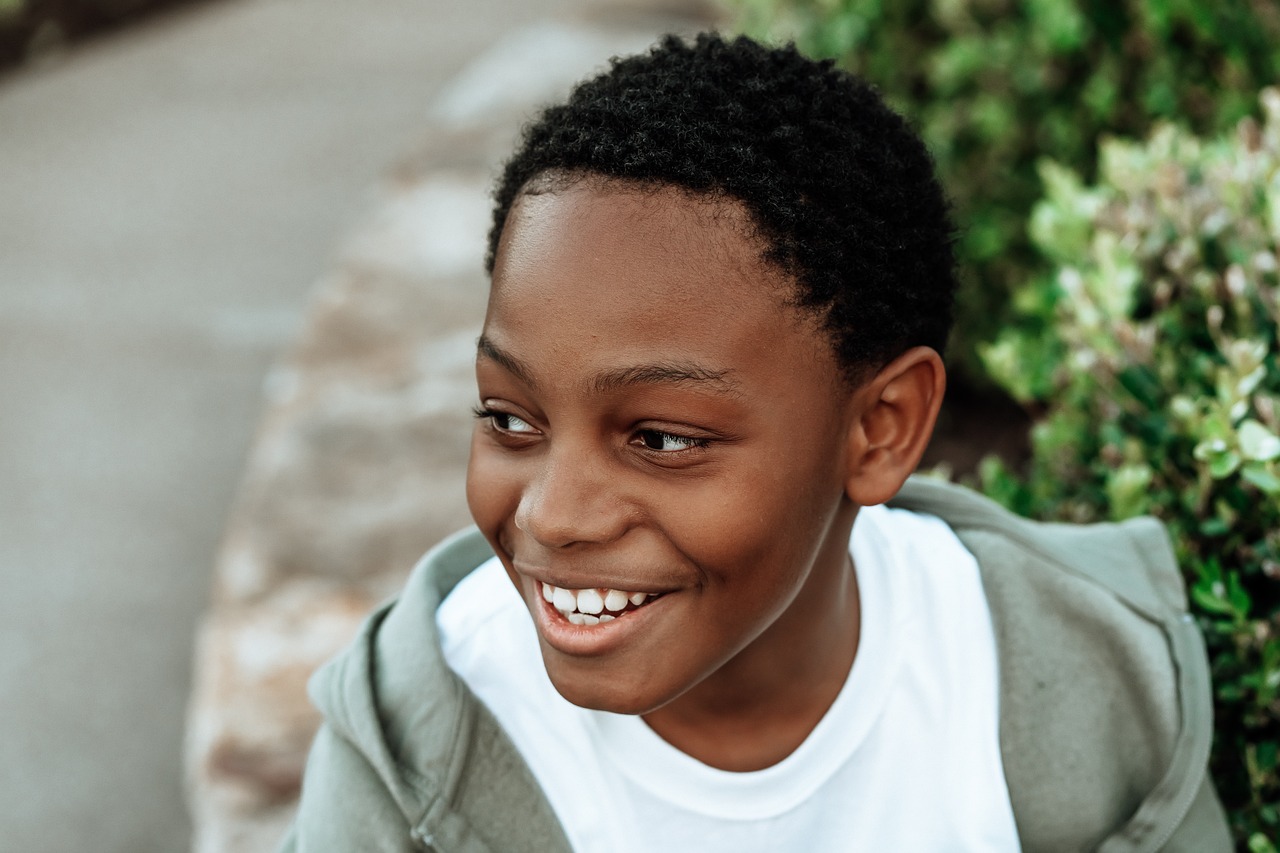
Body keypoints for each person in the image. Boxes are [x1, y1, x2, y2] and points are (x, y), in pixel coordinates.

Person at [280, 33, 1230, 852]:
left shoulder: (1083, 683)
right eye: (510, 419)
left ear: (880, 428)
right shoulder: (415, 754)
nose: (554, 515)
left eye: (661, 437)